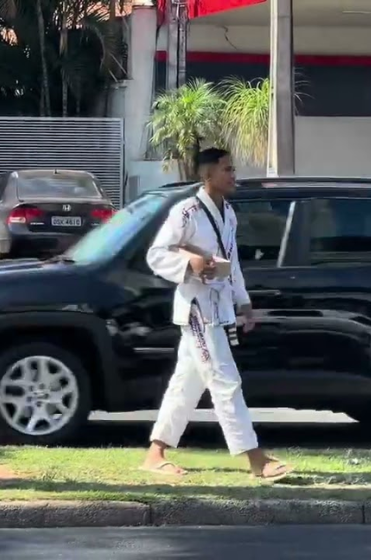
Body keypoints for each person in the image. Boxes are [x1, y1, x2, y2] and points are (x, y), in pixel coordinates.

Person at [140, 147, 293, 481]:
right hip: (197, 310)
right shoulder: (187, 211)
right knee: (225, 380)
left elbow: (232, 262)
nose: (233, 174)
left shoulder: (230, 213)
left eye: (233, 168)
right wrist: (189, 264)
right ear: (207, 175)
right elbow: (156, 254)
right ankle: (255, 458)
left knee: (186, 384)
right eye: (227, 169)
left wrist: (244, 302)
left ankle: (156, 453)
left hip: (219, 307)